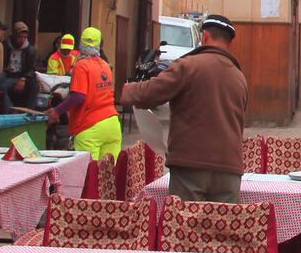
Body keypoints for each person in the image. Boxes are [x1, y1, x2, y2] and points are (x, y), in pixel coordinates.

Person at [121, 15, 248, 202]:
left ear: (204, 36)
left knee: (187, 228)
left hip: (191, 165)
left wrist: (128, 91)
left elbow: (151, 93)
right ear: (229, 42)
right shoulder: (239, 77)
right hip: (229, 169)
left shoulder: (188, 66)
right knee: (222, 230)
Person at [44, 28, 120, 161]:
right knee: (109, 176)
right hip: (112, 125)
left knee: (89, 176)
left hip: (90, 127)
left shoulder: (81, 65)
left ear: (81, 44)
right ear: (100, 45)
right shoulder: (105, 65)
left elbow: (79, 95)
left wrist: (57, 111)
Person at [0, 21, 39, 111]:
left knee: (34, 86)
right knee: (0, 86)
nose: (22, 40)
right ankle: (9, 110)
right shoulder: (5, 46)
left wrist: (23, 79)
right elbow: (0, 62)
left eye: (25, 37)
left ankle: (29, 111)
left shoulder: (30, 50)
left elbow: (32, 69)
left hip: (22, 76)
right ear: (14, 36)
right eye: (20, 37)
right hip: (8, 75)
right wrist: (5, 68)